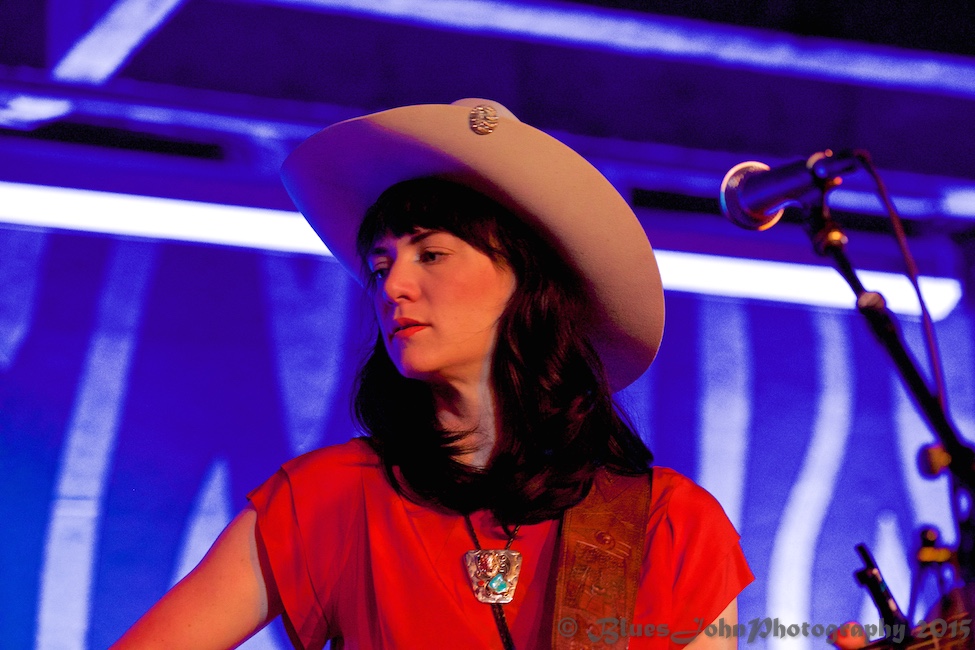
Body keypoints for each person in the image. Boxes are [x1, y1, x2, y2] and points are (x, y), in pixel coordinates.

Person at [110, 98, 753, 649]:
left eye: (432, 253)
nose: (394, 285)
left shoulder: (671, 523)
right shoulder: (327, 499)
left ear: (527, 278)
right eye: (381, 263)